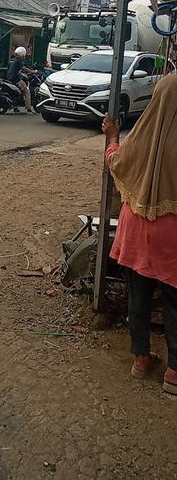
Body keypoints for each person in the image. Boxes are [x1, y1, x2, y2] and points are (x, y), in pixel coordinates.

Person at [103, 74, 177, 394]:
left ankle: (141, 359)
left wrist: (113, 137)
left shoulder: (143, 134)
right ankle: (174, 373)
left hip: (136, 225)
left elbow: (116, 161)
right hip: (172, 230)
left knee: (140, 296)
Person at [6, 46, 36, 113]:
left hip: (9, 78)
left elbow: (14, 69)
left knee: (19, 92)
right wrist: (33, 71)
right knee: (27, 92)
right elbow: (24, 68)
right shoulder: (19, 60)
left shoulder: (12, 60)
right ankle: (29, 109)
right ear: (22, 53)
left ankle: (15, 107)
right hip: (16, 79)